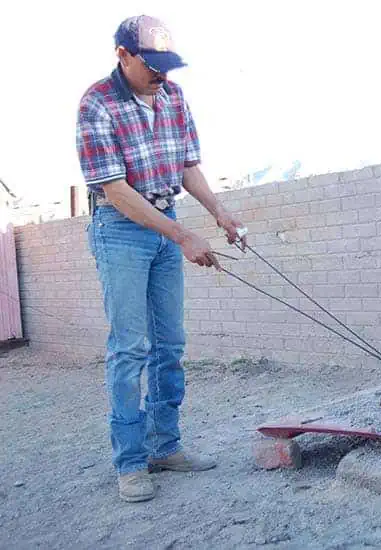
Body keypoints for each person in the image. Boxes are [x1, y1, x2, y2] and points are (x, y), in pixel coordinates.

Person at [75, 15, 246, 503]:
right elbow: (115, 190)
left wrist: (220, 214)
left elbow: (188, 164)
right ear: (123, 55)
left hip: (167, 223)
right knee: (130, 349)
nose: (161, 75)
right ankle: (130, 464)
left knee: (169, 345)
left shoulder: (173, 97)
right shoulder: (97, 104)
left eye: (167, 66)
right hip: (120, 229)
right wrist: (183, 236)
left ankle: (164, 447)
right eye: (151, 65)